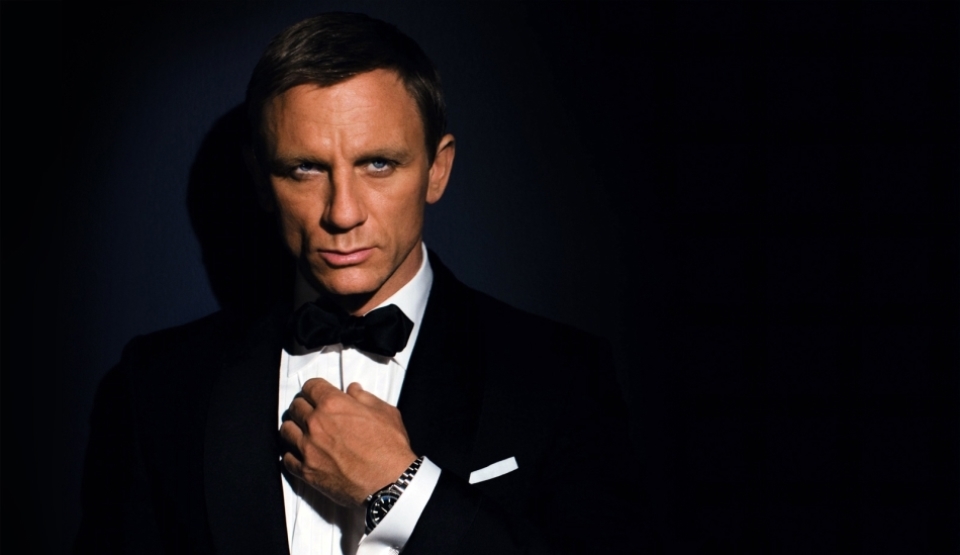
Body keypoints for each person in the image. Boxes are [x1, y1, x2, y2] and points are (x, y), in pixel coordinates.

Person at [75, 12, 641, 555]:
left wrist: (402, 489)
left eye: (378, 164)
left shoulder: (562, 377)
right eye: (305, 168)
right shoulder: (157, 386)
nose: (343, 213)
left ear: (437, 169)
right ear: (261, 181)